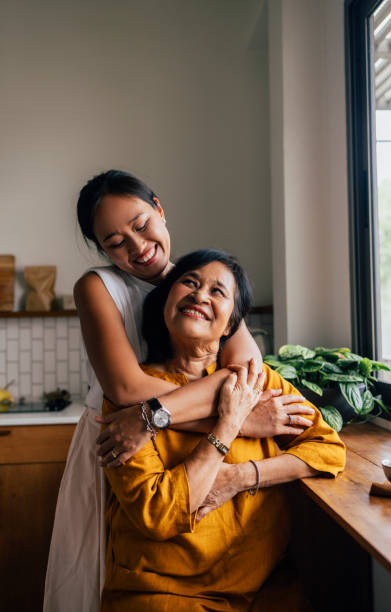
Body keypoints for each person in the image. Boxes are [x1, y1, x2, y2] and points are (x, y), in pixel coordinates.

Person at [43, 171, 315, 612]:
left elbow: (246, 375)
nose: (137, 245)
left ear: (159, 208)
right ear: (101, 250)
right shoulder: (96, 286)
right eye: (115, 241)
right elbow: (127, 386)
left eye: (141, 223)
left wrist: (163, 416)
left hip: (178, 438)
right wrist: (238, 418)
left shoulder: (205, 280)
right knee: (107, 576)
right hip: (124, 446)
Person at [101, 249, 346, 611]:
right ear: (165, 302)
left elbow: (327, 449)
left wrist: (241, 477)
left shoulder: (258, 383)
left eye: (218, 291)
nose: (200, 295)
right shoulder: (132, 401)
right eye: (189, 282)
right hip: (161, 594)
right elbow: (159, 514)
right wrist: (231, 423)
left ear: (232, 324)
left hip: (265, 588)